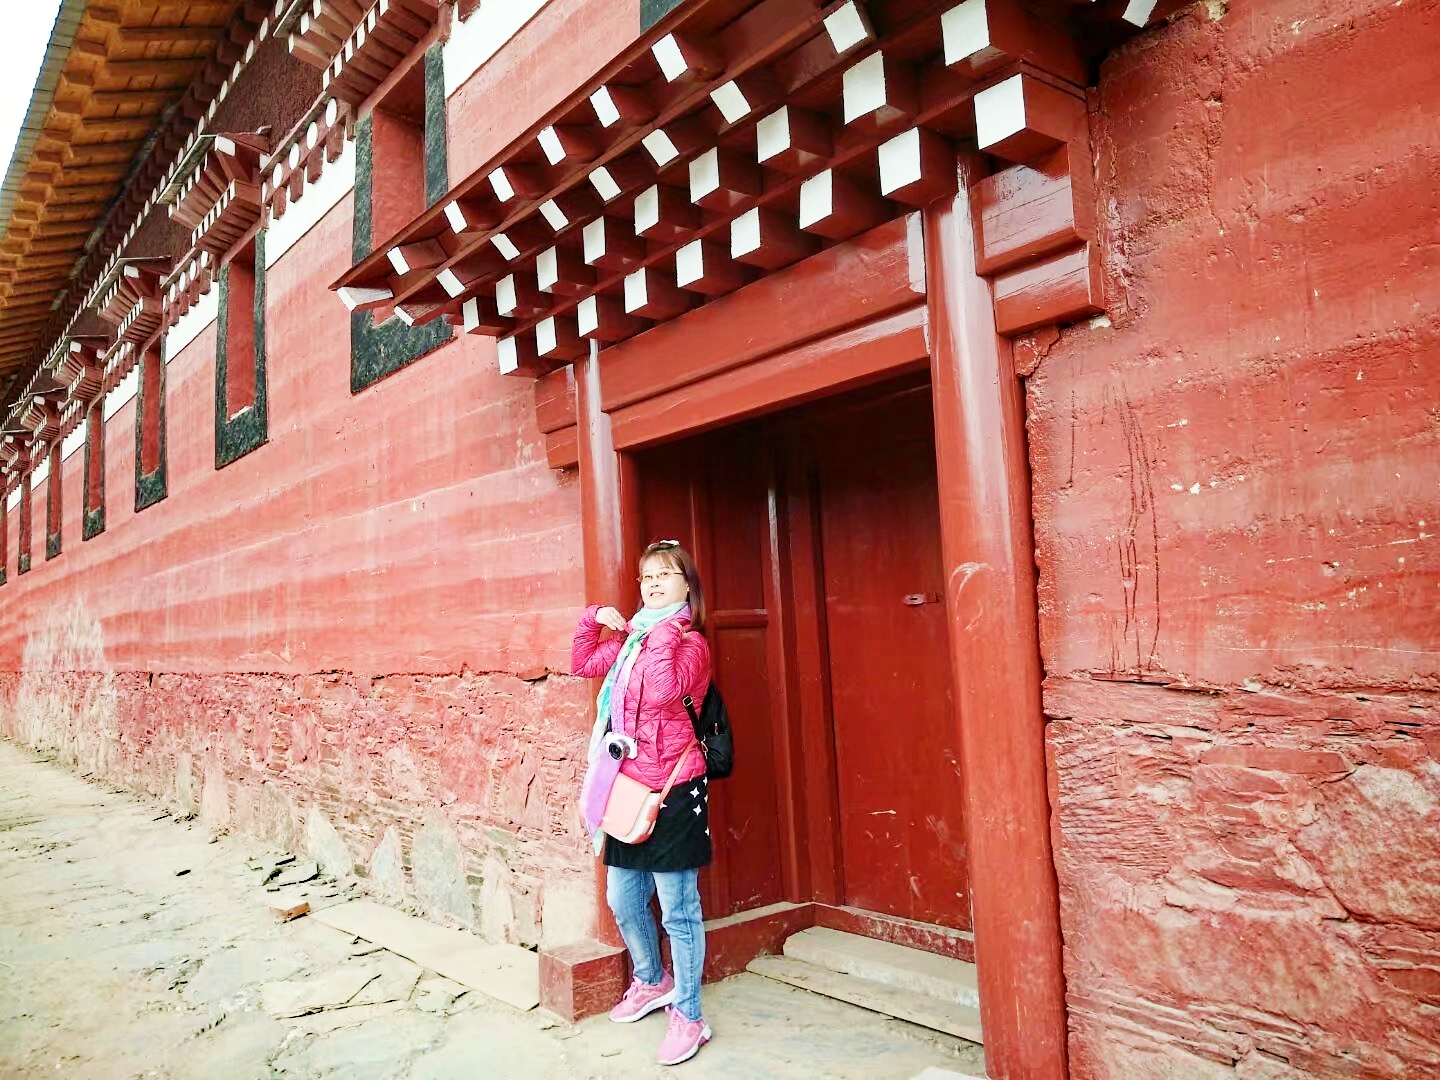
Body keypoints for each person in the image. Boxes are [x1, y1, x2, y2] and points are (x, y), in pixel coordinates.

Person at [571, 540, 713, 1066]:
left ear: (686, 586)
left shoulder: (690, 643)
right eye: (647, 577)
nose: (653, 584)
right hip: (628, 787)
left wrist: (663, 630)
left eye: (665, 575)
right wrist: (594, 620)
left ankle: (690, 1016)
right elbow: (583, 663)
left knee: (679, 910)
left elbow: (661, 692)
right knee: (623, 898)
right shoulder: (634, 639)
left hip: (675, 788)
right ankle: (652, 979)